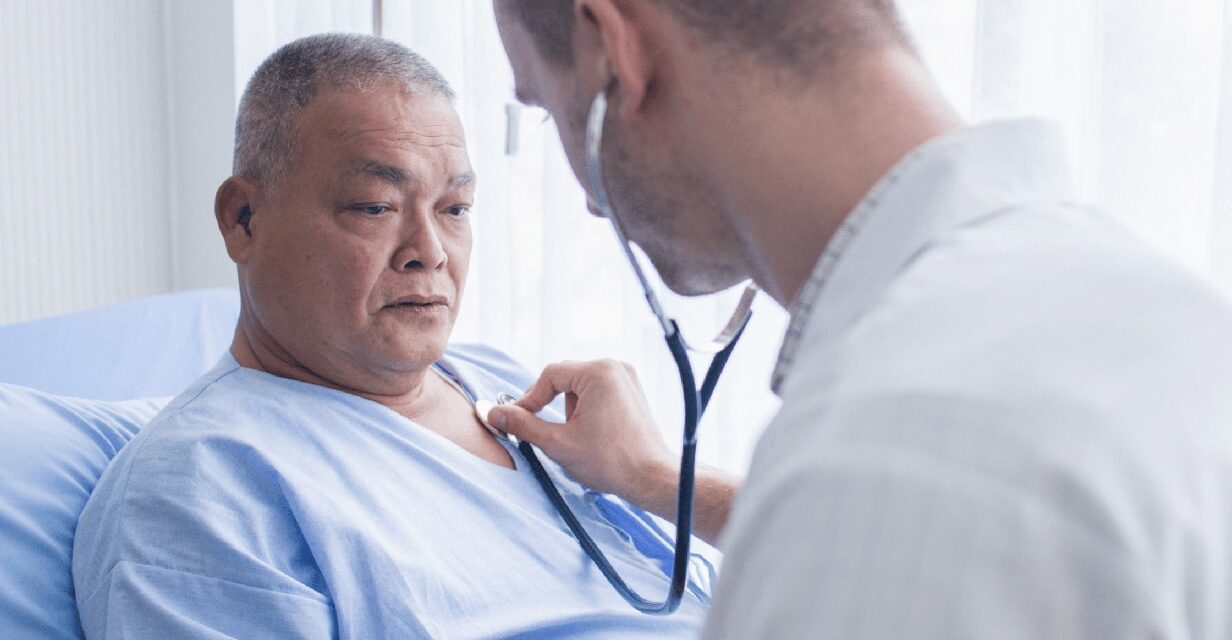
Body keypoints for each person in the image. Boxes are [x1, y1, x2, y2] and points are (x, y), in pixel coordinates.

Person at [487, 1, 1232, 637]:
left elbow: (892, 506)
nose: (587, 198)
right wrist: (654, 479)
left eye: (549, 104)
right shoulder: (1155, 311)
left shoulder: (891, 455)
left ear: (615, 48)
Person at [72, 33, 717, 639]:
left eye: (455, 209)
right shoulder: (199, 491)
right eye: (375, 207)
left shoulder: (502, 385)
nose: (430, 252)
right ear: (244, 220)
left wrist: (656, 477)